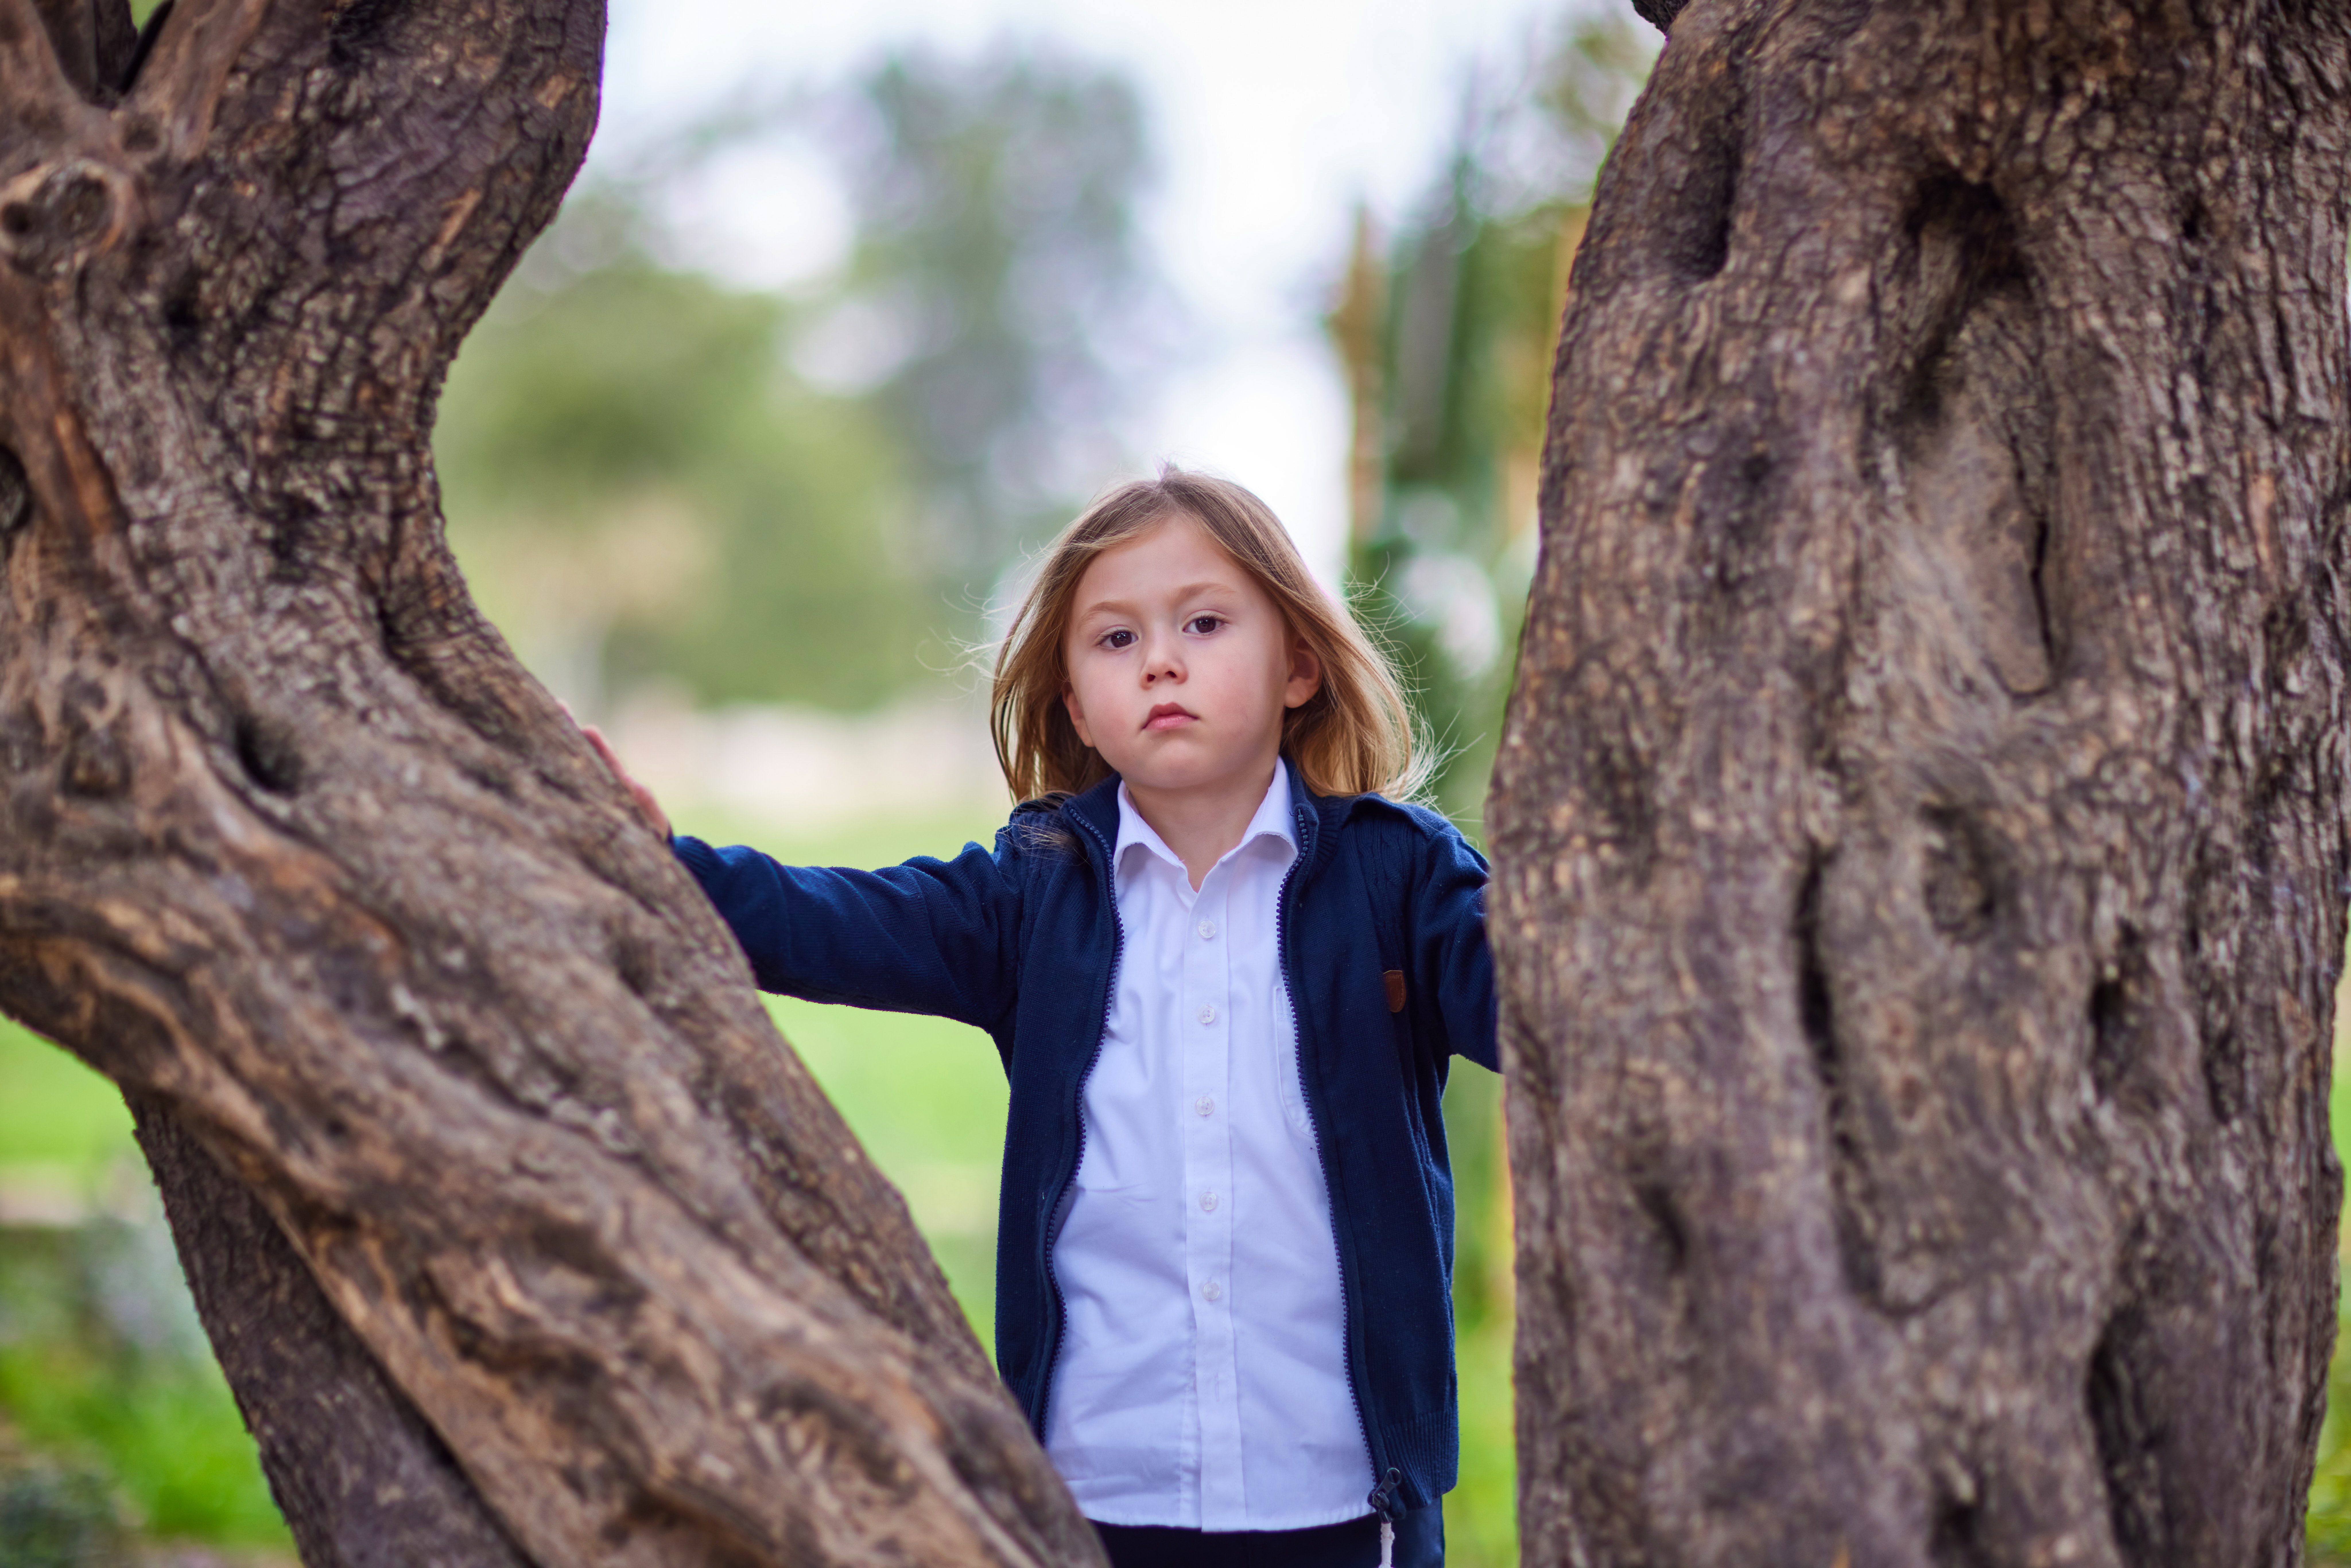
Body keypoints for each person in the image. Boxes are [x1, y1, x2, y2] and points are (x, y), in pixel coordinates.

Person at [587, 468, 1495, 1568]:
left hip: (1347, 1500)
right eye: (1115, 640)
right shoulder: (1033, 893)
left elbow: (1540, 1009)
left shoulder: (1400, 881)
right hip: (1092, 1494)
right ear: (1074, 704)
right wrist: (658, 863)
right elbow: (826, 919)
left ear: (1299, 665)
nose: (1160, 661)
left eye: (1205, 623)